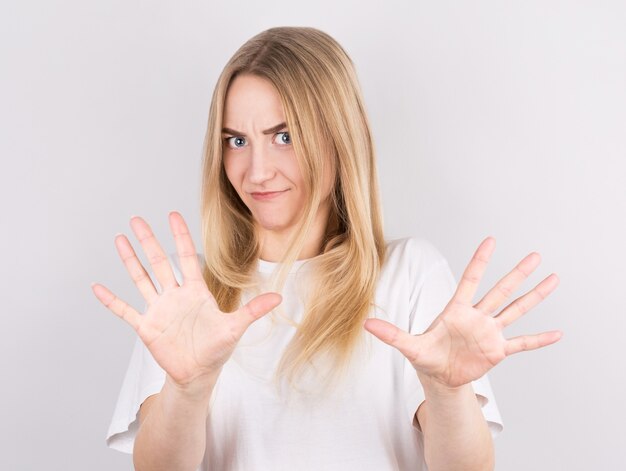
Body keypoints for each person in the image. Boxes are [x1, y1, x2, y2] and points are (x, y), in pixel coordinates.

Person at [92, 26, 561, 471]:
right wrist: (187, 389)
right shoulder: (189, 295)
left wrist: (446, 391)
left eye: (285, 136)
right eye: (237, 141)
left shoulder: (407, 274)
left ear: (341, 135)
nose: (256, 172)